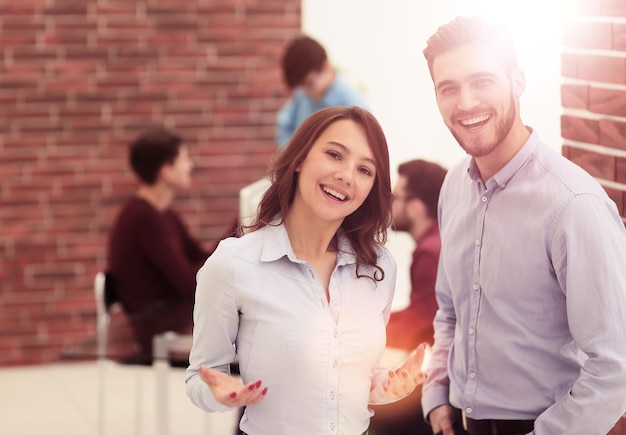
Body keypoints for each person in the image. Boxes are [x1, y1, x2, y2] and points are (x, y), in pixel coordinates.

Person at [421, 16, 626, 435]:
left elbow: (616, 366)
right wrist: (436, 394)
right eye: (449, 88)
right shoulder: (453, 186)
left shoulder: (573, 205)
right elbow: (449, 312)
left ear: (517, 81)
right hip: (462, 422)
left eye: (482, 80)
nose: (466, 103)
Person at [186, 106, 426, 435]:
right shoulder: (234, 263)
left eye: (365, 170)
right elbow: (198, 377)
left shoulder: (379, 268)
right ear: (299, 159)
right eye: (334, 154)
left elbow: (356, 376)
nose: (347, 176)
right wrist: (220, 392)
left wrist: (389, 386)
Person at [107, 127, 212, 363]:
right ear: (167, 171)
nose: (190, 165)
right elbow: (188, 282)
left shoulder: (167, 215)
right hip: (158, 333)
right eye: (185, 159)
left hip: (176, 320)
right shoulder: (142, 218)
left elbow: (200, 258)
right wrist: (235, 233)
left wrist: (233, 238)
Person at [369, 159, 457, 435]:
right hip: (451, 370)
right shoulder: (442, 241)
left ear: (416, 208)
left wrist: (358, 333)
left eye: (395, 197)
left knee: (376, 414)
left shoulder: (431, 251)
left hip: (448, 382)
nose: (389, 205)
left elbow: (421, 323)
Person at [275, 35, 370, 148]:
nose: (305, 92)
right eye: (301, 87)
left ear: (326, 67)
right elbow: (284, 125)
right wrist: (292, 157)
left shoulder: (354, 105)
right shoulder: (302, 94)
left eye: (309, 84)